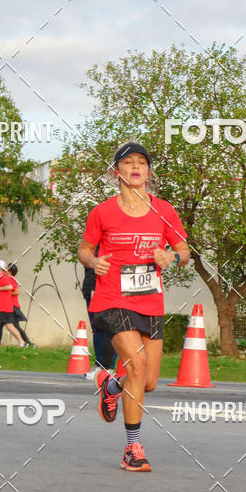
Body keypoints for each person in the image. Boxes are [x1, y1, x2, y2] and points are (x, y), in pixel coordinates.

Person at [78, 142, 189, 472]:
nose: (136, 167)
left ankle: (112, 386)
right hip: (111, 299)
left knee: (149, 381)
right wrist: (93, 261)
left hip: (150, 301)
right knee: (136, 367)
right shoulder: (102, 212)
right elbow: (84, 250)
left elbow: (184, 252)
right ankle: (132, 449)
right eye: (128, 162)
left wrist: (171, 256)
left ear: (148, 172)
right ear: (118, 172)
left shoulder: (164, 211)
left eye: (142, 162)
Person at [81, 245, 117, 379]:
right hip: (91, 287)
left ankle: (106, 366)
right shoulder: (90, 245)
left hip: (107, 288)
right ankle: (101, 365)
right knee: (97, 328)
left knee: (109, 328)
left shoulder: (111, 242)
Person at [0, 263, 36, 348]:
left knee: (14, 326)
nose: (4, 270)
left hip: (12, 307)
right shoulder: (8, 279)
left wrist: (6, 294)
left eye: (6, 268)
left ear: (9, 271)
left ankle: (28, 343)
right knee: (1, 325)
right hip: (9, 306)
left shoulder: (10, 279)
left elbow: (17, 292)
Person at [0, 260, 26, 347]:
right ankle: (22, 343)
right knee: (9, 326)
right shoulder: (0, 277)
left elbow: (10, 287)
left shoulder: (3, 276)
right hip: (3, 307)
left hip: (2, 307)